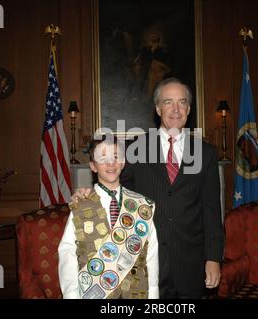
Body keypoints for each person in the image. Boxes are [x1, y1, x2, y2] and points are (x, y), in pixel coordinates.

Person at [74, 78, 223, 298]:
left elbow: (212, 211)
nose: (175, 109)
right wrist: (89, 195)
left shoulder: (206, 153)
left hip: (191, 264)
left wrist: (213, 258)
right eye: (168, 102)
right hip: (145, 262)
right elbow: (115, 190)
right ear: (157, 108)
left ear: (189, 109)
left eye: (181, 102)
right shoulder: (136, 149)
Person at [58, 136, 159, 299]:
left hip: (136, 293)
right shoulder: (81, 206)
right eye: (102, 158)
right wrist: (71, 295)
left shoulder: (141, 206)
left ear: (123, 162)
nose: (111, 163)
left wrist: (153, 296)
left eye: (115, 157)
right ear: (93, 166)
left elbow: (151, 254)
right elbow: (68, 254)